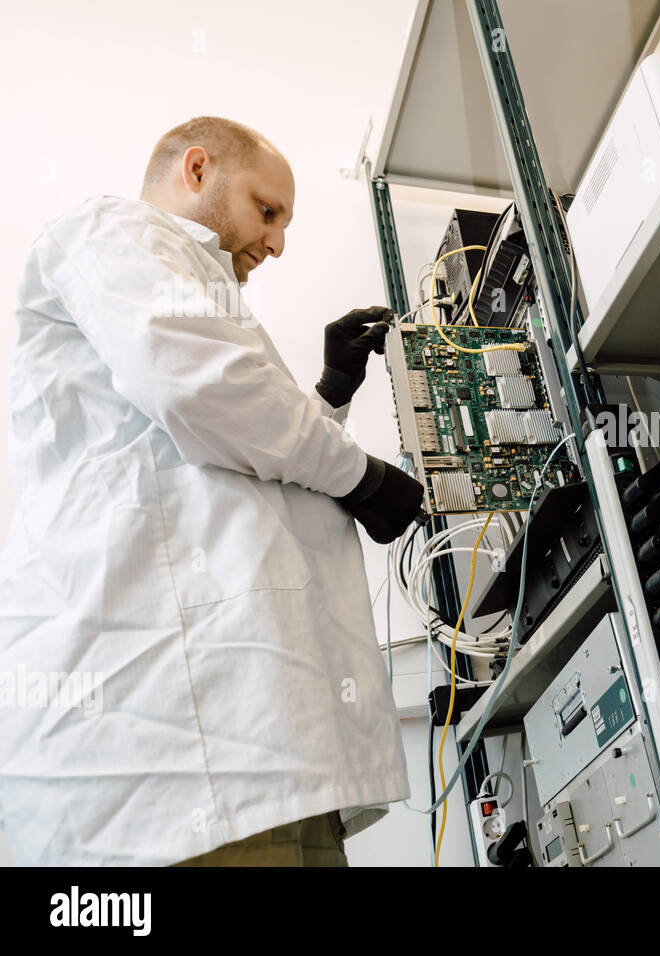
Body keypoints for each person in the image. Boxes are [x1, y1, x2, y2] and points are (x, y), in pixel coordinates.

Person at [0, 116, 425, 865]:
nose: (277, 243)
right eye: (268, 211)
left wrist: (329, 394)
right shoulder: (112, 232)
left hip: (257, 757)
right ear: (197, 169)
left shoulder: (187, 290)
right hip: (182, 770)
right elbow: (204, 392)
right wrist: (363, 475)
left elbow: (246, 476)